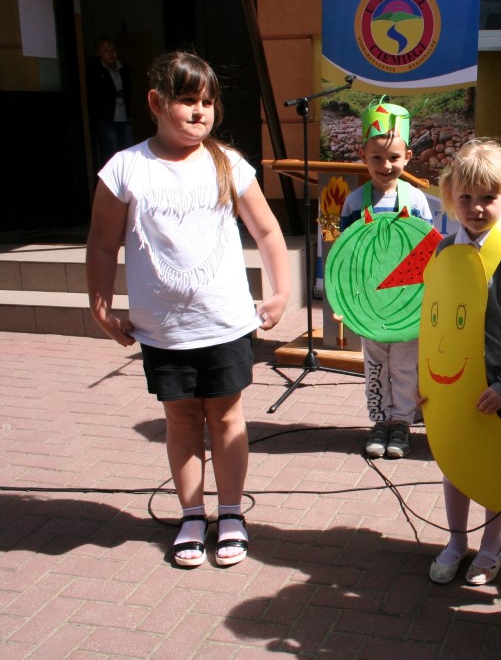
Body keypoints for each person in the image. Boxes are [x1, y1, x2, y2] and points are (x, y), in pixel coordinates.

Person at [86, 51, 291, 568]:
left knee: (226, 417)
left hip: (224, 323)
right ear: (156, 103)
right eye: (186, 100)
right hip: (163, 331)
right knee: (180, 421)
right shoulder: (125, 169)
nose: (200, 111)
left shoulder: (228, 163)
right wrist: (100, 307)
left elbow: (267, 230)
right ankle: (192, 515)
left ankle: (232, 513)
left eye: (208, 101)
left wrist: (280, 291)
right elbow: (102, 244)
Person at [427, 139, 501, 586]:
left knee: (495, 470)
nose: (476, 208)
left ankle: (492, 545)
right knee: (455, 466)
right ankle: (457, 541)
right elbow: (433, 318)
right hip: (453, 386)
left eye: (488, 197)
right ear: (451, 196)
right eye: (466, 197)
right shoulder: (443, 251)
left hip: (497, 388)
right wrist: (424, 379)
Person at [339, 100, 432, 459]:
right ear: (363, 155)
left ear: (408, 156)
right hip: (370, 303)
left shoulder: (417, 200)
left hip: (407, 302)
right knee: (376, 365)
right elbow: (346, 257)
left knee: (406, 365)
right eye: (376, 157)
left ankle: (402, 424)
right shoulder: (354, 202)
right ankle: (380, 421)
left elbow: (426, 251)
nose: (385, 165)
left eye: (393, 157)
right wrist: (346, 301)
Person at [86, 36, 134, 169]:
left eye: (113, 49)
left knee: (129, 151)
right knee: (110, 153)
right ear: (98, 53)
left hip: (124, 116)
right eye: (106, 51)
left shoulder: (124, 69)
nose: (111, 53)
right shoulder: (94, 72)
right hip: (106, 118)